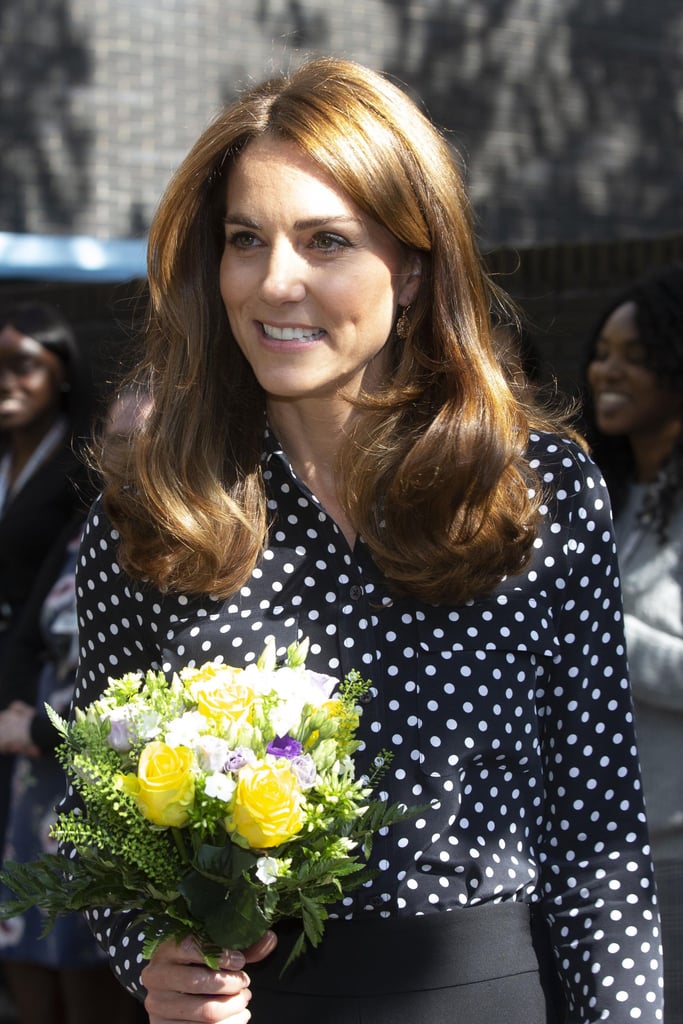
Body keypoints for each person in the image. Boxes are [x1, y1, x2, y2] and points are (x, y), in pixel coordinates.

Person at [68, 57, 663, 1023]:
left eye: (326, 240)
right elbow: (99, 813)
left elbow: (597, 835)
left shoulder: (532, 490)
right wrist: (155, 961)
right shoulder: (156, 513)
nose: (275, 281)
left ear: (415, 268)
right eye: (245, 239)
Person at [0, 393, 148, 1024]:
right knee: (25, 946)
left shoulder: (184, 537)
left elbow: (153, 695)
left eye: (137, 443)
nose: (122, 457)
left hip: (105, 777)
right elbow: (29, 630)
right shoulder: (90, 523)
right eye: (113, 440)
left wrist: (35, 726)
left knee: (93, 963)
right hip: (37, 779)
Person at [583, 264, 683, 1024]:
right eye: (601, 351)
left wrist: (590, 625)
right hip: (601, 847)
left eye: (633, 354)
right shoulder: (604, 493)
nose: (605, 369)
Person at [0, 302, 91, 855]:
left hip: (35, 681)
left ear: (61, 375)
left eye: (22, 364)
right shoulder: (4, 457)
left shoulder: (80, 466)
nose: (4, 381)